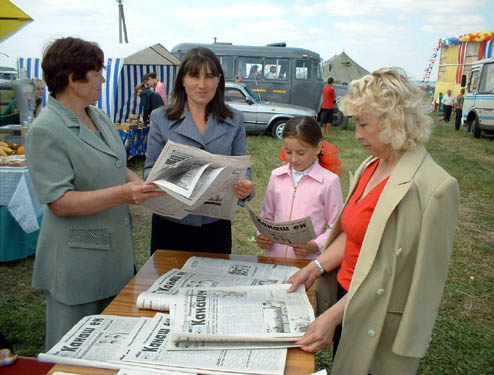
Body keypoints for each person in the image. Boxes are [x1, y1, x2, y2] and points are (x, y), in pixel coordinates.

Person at [287, 67, 460, 374]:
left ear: (394, 119)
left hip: (378, 318)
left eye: (364, 124)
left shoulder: (434, 187)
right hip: (346, 297)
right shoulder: (371, 165)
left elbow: (393, 276)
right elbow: (353, 234)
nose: (357, 135)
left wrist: (334, 316)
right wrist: (315, 267)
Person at [25, 37, 164, 350]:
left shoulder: (97, 116)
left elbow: (116, 165)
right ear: (74, 80)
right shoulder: (46, 130)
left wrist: (144, 184)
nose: (103, 79)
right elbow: (59, 203)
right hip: (77, 265)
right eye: (97, 72)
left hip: (113, 258)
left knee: (111, 346)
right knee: (74, 351)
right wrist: (124, 193)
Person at [143, 47, 254, 256]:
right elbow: (148, 171)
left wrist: (246, 186)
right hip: (170, 225)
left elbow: (243, 167)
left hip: (215, 226)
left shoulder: (235, 119)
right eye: (194, 76)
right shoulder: (160, 118)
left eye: (210, 76)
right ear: (182, 80)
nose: (202, 85)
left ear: (219, 80)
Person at [257, 116, 343, 259]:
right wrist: (262, 235)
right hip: (274, 258)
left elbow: (336, 226)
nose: (294, 159)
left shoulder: (329, 181)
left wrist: (315, 245)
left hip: (307, 263)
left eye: (301, 153)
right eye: (288, 151)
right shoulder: (276, 176)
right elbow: (266, 216)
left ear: (318, 148)